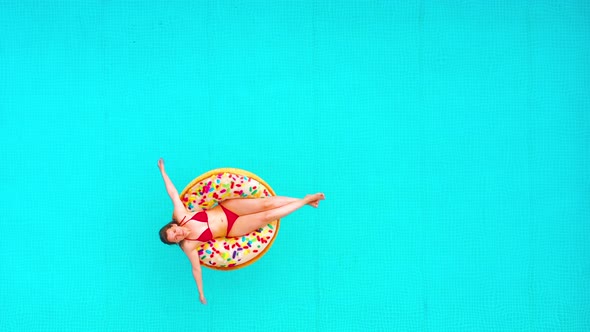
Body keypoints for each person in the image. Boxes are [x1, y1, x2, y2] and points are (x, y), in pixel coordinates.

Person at [157, 158, 324, 305]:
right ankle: (305, 201)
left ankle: (306, 200)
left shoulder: (182, 214)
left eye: (174, 232)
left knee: (265, 204)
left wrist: (163, 171)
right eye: (175, 239)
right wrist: (201, 292)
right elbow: (196, 269)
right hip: (233, 227)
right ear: (176, 242)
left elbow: (172, 193)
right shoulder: (189, 246)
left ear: (174, 226)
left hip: (227, 208)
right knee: (267, 216)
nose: (178, 235)